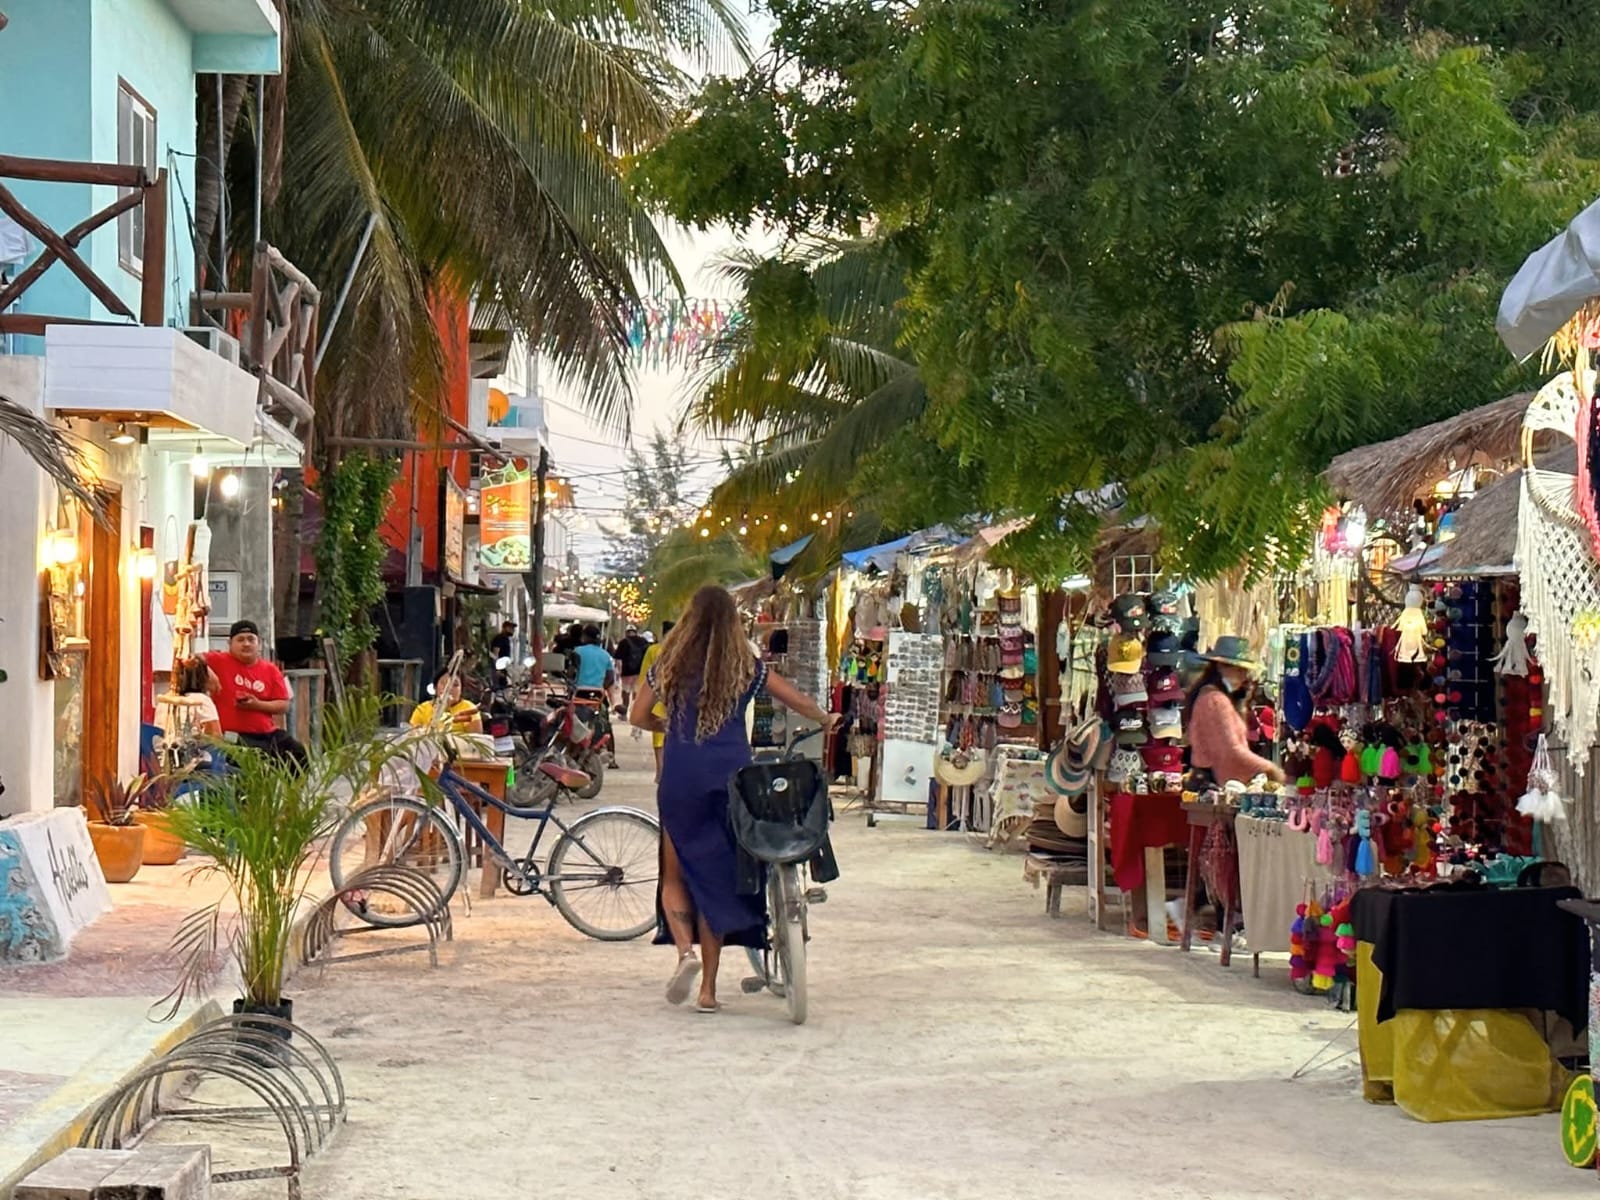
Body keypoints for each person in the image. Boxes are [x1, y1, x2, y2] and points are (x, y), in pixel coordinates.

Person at [629, 586, 838, 1014]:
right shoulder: (746, 667)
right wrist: (825, 717)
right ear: (732, 623)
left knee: (675, 874)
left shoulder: (667, 665)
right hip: (732, 779)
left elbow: (637, 715)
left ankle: (684, 953)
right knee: (718, 879)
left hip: (681, 777)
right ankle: (707, 990)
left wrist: (667, 726)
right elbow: (794, 698)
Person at [1174, 636, 1284, 943]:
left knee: (1220, 855)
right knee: (1225, 855)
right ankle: (1222, 920)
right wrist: (1270, 769)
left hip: (1212, 779)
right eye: (1238, 669)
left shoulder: (1218, 698)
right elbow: (1231, 753)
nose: (1243, 675)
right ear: (1222, 667)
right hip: (1212, 781)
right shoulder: (1215, 701)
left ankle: (1207, 913)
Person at [204, 620, 306, 765]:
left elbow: (284, 705)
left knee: (297, 752)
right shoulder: (218, 660)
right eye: (240, 640)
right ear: (230, 643)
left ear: (259, 644)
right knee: (253, 757)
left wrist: (257, 705)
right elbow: (191, 658)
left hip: (267, 733)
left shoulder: (271, 669)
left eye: (251, 639)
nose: (246, 644)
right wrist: (209, 672)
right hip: (232, 735)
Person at [636, 621, 673, 781]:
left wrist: (640, 695)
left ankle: (660, 771)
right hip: (675, 699)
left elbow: (645, 673)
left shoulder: (654, 650)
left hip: (657, 698)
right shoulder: (684, 649)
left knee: (658, 738)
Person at [410, 670, 483, 732]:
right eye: (444, 683)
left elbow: (476, 739)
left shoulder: (469, 709)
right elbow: (413, 735)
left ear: (461, 689)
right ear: (435, 687)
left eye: (455, 685)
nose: (449, 688)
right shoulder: (422, 708)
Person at [614, 626, 649, 711]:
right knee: (637, 690)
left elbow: (618, 659)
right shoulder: (644, 641)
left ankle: (625, 709)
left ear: (626, 632)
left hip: (627, 671)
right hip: (640, 671)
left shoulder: (623, 642)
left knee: (626, 690)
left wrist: (619, 670)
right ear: (636, 632)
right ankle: (635, 709)